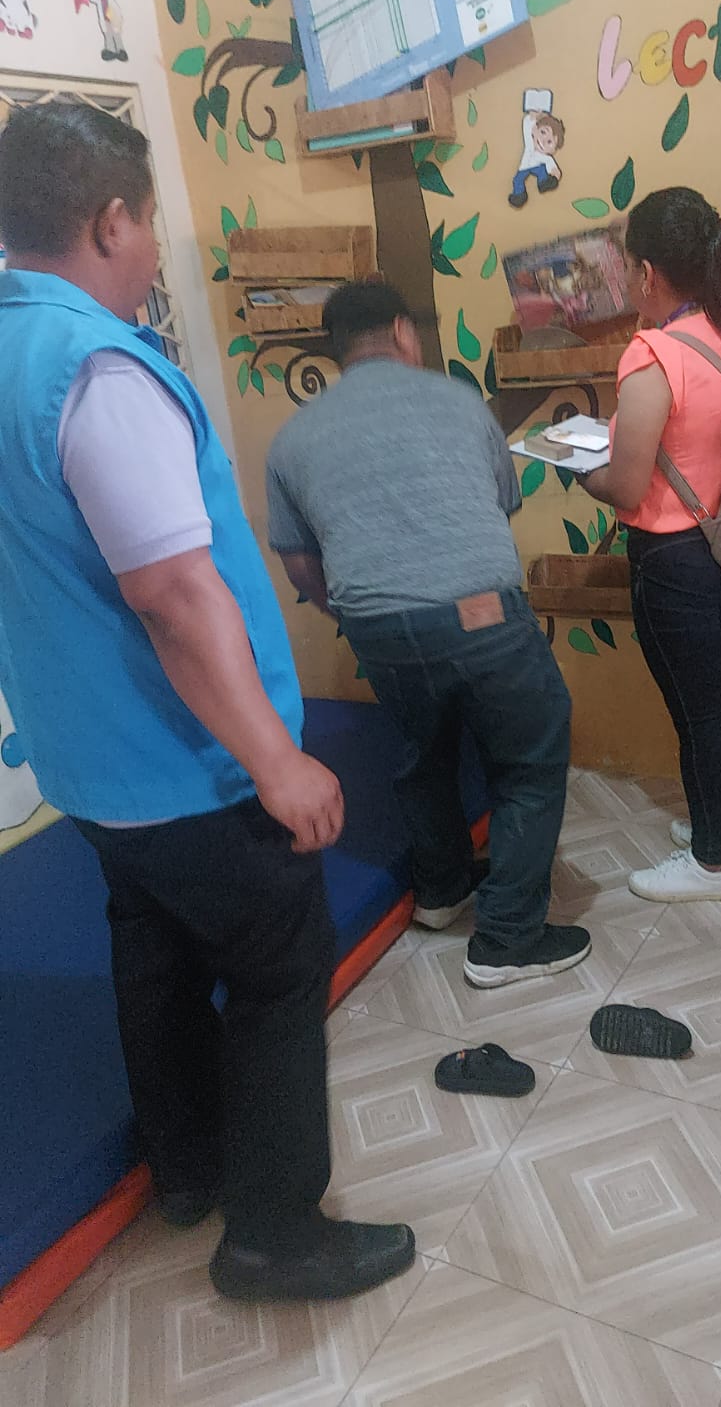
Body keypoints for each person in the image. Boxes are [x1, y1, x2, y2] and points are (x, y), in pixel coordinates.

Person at [0, 101, 413, 1303]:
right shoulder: (97, 369)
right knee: (280, 969)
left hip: (90, 770)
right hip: (189, 768)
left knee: (156, 954)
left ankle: (186, 1170)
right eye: (145, 225)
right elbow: (177, 597)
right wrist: (277, 761)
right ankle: (275, 1233)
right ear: (110, 221)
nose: (147, 252)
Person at [265, 281, 589, 990]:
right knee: (530, 759)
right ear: (401, 331)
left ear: (336, 350)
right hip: (479, 613)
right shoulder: (458, 402)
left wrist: (355, 612)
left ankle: (441, 891)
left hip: (375, 626)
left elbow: (298, 562)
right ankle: (507, 939)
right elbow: (497, 503)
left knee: (424, 750)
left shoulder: (293, 437)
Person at [579, 187, 721, 902]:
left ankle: (710, 863)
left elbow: (626, 486)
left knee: (698, 713)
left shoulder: (652, 356)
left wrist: (578, 468)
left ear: (645, 273)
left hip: (675, 556)